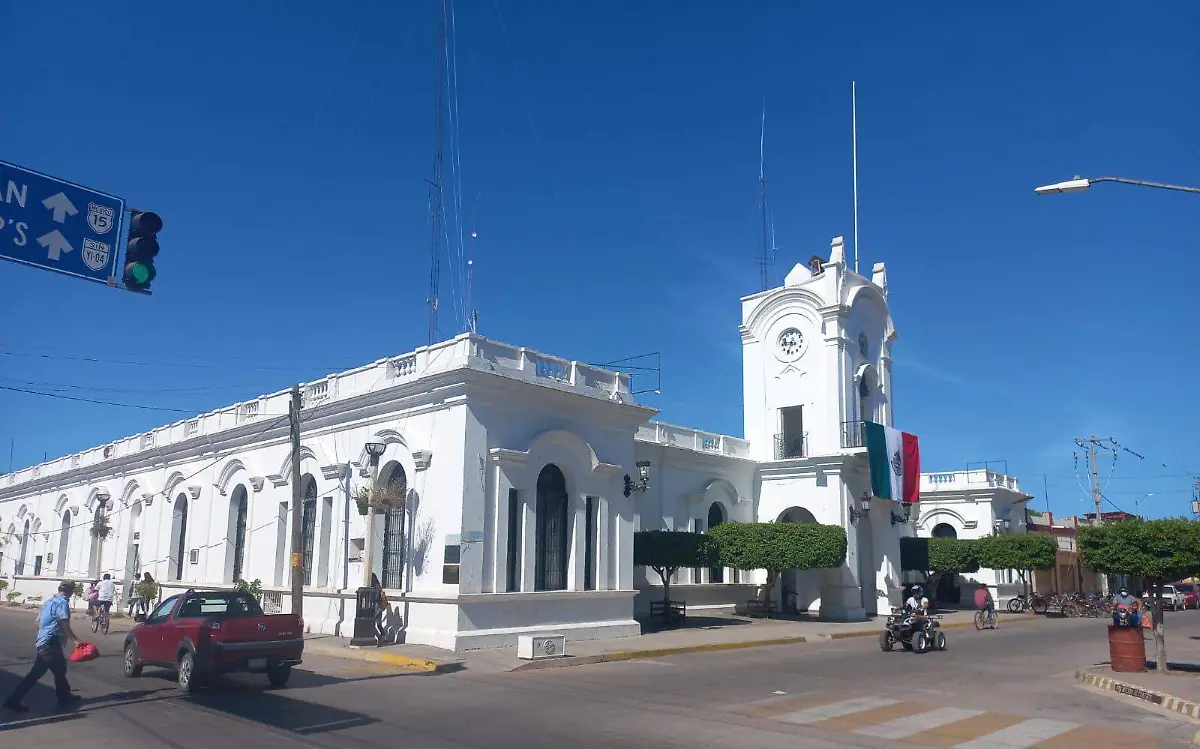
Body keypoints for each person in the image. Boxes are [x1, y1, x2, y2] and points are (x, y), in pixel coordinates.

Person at [3, 581, 82, 712]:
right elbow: (63, 623)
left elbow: (37, 623)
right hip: (50, 644)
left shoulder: (49, 602)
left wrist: (46, 632)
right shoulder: (62, 603)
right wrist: (75, 640)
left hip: (45, 641)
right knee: (37, 674)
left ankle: (64, 696)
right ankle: (14, 700)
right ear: (70, 591)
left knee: (60, 669)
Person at [370, 573, 389, 647]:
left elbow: (376, 597)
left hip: (376, 606)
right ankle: (383, 636)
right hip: (380, 607)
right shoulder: (379, 586)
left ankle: (379, 637)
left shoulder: (374, 587)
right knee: (378, 624)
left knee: (371, 624)